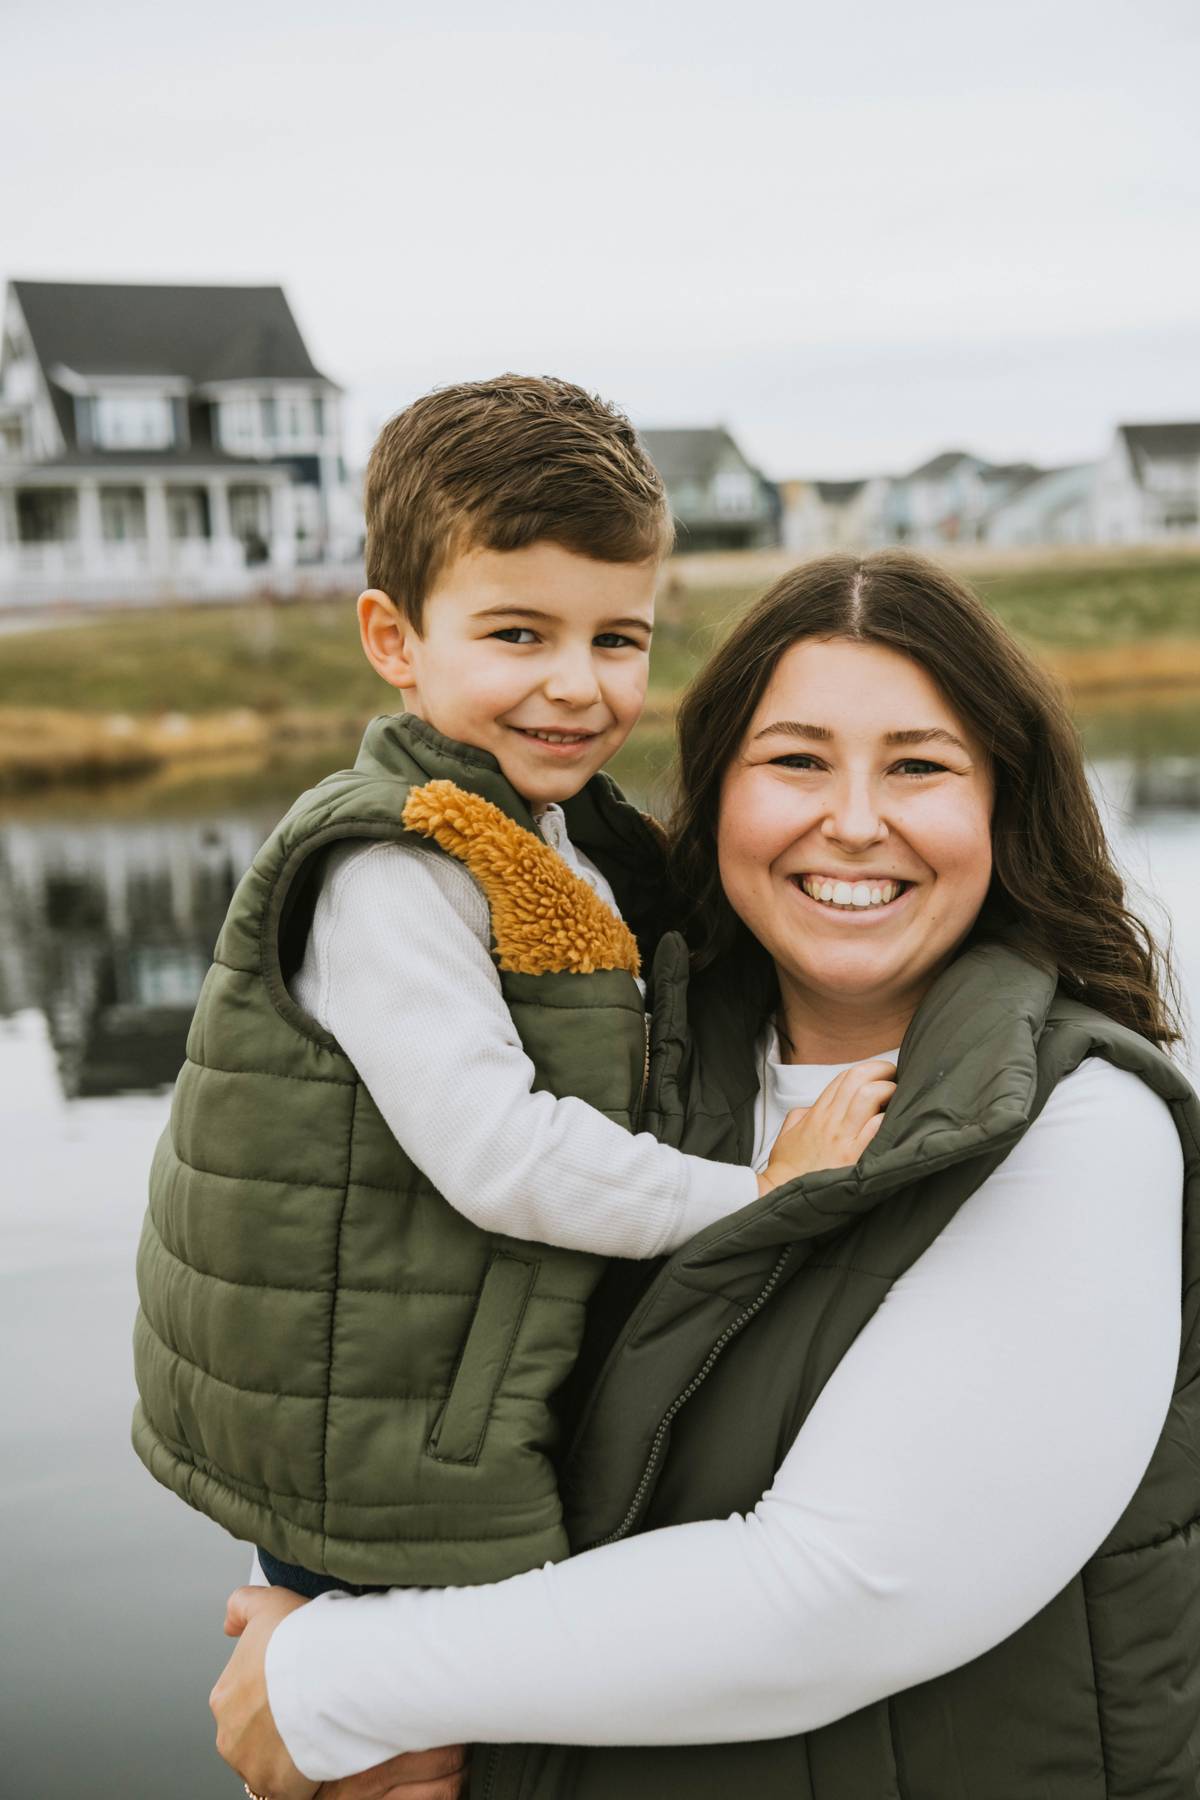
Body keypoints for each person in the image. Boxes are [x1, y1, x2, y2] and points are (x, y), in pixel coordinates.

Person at [210, 550, 1198, 1800]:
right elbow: (376, 1340)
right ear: (717, 792)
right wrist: (328, 1642)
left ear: (1004, 806)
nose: (852, 820)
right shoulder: (609, 1072)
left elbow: (841, 1596)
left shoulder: (1079, 1125)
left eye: (919, 765)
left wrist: (338, 1684)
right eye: (794, 761)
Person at [130, 376, 861, 1606]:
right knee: (423, 1762)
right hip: (381, 1467)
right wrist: (760, 1194)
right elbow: (498, 1152)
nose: (578, 684)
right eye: (519, 634)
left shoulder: (545, 830)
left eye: (616, 639)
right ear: (394, 641)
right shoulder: (395, 864)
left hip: (435, 1413)